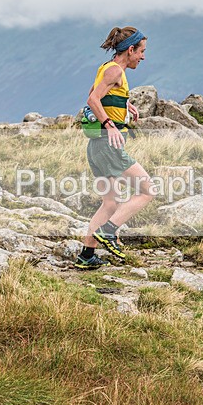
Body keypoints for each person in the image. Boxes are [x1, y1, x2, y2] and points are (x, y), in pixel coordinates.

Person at [75, 26, 156, 269]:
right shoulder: (114, 71)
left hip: (96, 147)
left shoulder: (107, 69)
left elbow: (94, 92)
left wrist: (124, 104)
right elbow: (92, 100)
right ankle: (109, 230)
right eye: (141, 51)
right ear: (130, 50)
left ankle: (87, 255)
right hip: (108, 144)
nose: (143, 57)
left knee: (110, 203)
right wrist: (110, 124)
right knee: (148, 190)